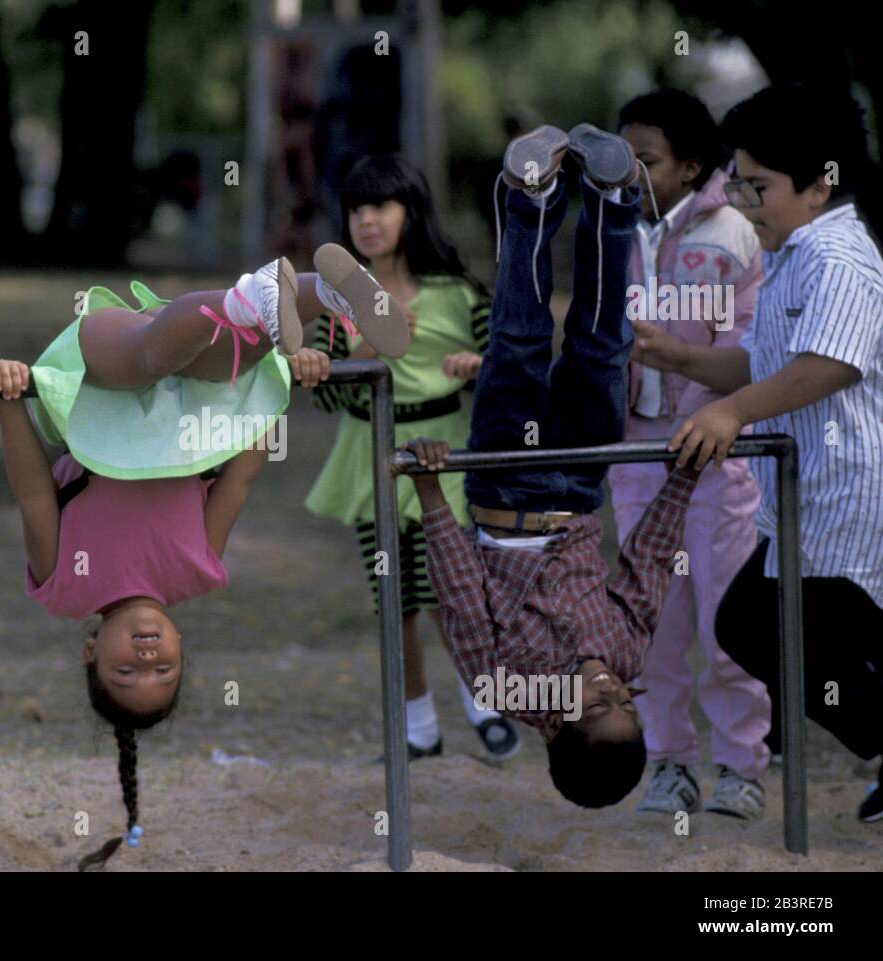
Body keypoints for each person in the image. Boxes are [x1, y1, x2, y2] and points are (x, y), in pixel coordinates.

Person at [0, 247, 408, 868]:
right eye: (165, 672)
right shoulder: (196, 568)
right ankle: (323, 294)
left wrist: (10, 401)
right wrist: (285, 384)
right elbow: (238, 479)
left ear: (92, 651)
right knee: (235, 364)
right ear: (182, 650)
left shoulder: (63, 587)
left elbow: (30, 492)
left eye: (127, 673)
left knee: (151, 355)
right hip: (192, 408)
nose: (148, 659)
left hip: (100, 381)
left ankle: (251, 301)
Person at [414, 124, 704, 808]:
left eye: (598, 706)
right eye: (625, 705)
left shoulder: (502, 684)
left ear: (554, 726)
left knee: (517, 340)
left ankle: (533, 199)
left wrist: (430, 492)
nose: (611, 688)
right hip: (577, 482)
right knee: (602, 349)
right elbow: (649, 564)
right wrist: (683, 477)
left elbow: (460, 594)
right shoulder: (626, 658)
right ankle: (609, 201)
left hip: (505, 485)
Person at [633, 84, 883, 823]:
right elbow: (763, 362)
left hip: (850, 502)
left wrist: (732, 413)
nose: (744, 200)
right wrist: (679, 359)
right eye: (738, 182)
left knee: (783, 628)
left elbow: (830, 362)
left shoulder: (840, 256)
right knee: (748, 624)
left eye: (760, 186)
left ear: (818, 185)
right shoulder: (790, 254)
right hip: (800, 505)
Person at [305, 154, 519, 762]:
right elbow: (325, 398)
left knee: (453, 590)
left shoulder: (460, 295)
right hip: (369, 454)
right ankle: (418, 728)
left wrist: (481, 370)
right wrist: (362, 348)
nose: (367, 220)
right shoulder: (334, 301)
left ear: (411, 212)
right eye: (356, 209)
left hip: (445, 458)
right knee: (394, 598)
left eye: (382, 206)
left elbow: (513, 379)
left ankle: (485, 704)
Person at [610, 89, 769, 818]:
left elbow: (750, 356)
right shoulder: (613, 227)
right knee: (652, 620)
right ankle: (668, 762)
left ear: (691, 164)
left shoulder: (735, 233)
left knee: (725, 621)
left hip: (714, 451)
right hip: (636, 453)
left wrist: (676, 355)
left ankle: (742, 766)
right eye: (623, 158)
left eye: (645, 160)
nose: (630, 172)